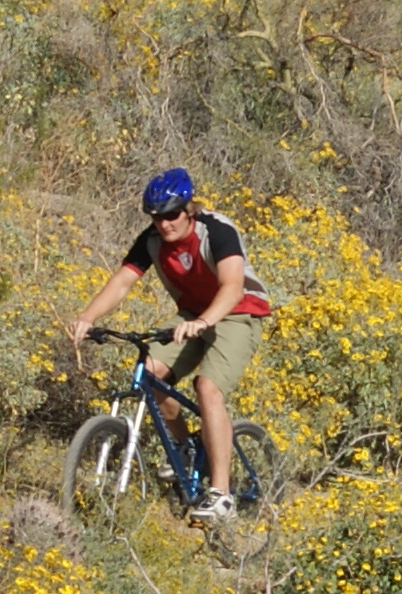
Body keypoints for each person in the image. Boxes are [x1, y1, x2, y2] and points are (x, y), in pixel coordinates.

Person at [68, 168, 273, 523]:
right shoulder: (152, 240)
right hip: (193, 315)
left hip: (238, 313)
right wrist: (87, 317)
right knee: (150, 372)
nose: (164, 224)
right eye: (156, 217)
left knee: (207, 388)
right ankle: (184, 448)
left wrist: (204, 322)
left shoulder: (217, 230)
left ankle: (222, 494)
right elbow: (122, 282)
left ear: (188, 209)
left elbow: (232, 286)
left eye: (171, 215)